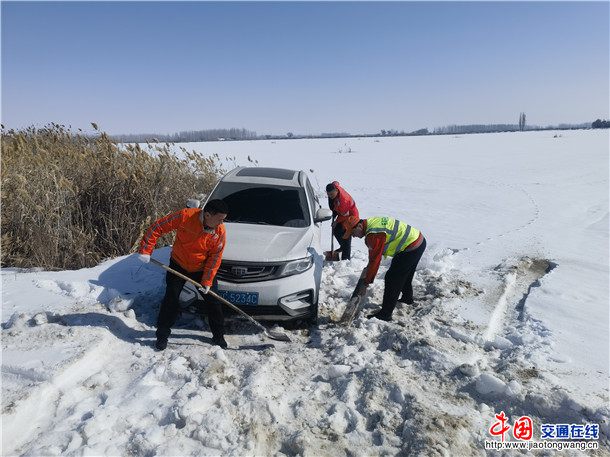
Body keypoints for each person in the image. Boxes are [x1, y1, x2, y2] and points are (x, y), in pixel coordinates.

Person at [137, 199, 229, 350]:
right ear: (207, 215)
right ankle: (162, 336)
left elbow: (215, 258)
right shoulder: (185, 216)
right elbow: (158, 227)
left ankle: (219, 336)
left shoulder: (219, 232)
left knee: (214, 302)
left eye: (223, 219)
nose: (221, 223)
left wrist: (207, 281)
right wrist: (146, 250)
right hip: (178, 265)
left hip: (200, 269)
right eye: (219, 219)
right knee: (171, 299)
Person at [342, 215, 426, 321]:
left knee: (392, 278)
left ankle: (386, 314)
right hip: (418, 241)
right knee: (404, 273)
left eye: (352, 232)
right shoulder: (371, 224)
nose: (353, 236)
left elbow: (375, 260)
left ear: (359, 226)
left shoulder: (374, 234)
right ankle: (407, 298)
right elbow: (375, 255)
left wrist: (366, 284)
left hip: (412, 246)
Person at [326, 181, 359, 260]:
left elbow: (345, 215)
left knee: (346, 235)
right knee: (336, 231)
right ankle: (343, 246)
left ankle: (346, 259)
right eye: (328, 194)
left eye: (331, 194)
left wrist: (336, 222)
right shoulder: (335, 186)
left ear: (336, 191)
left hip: (351, 217)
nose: (330, 196)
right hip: (342, 212)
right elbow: (336, 182)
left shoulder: (343, 200)